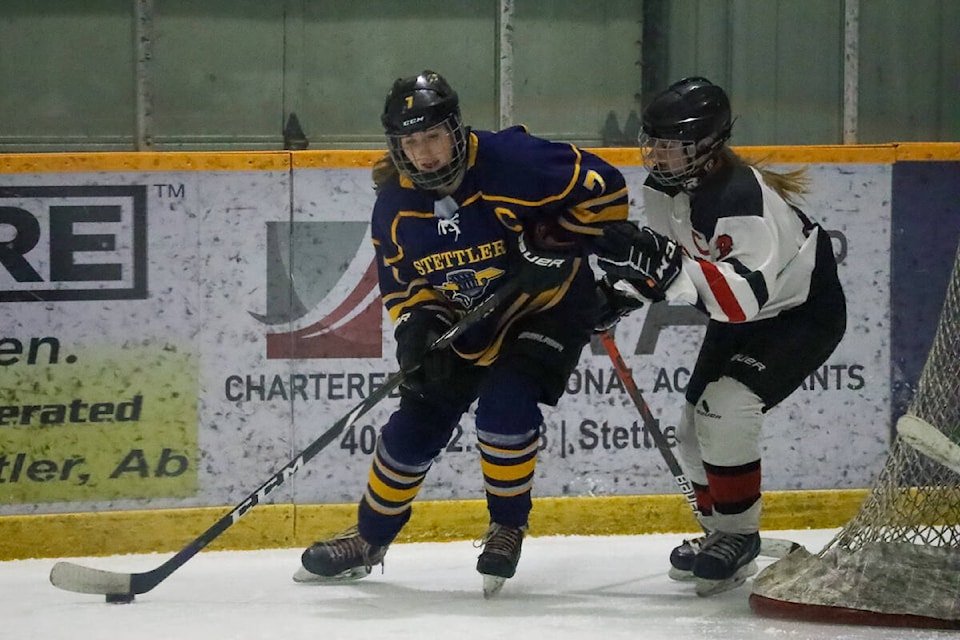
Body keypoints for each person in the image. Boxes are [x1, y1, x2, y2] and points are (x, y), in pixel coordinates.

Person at [293, 70, 636, 596]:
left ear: (456, 129)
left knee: (506, 406)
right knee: (411, 429)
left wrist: (558, 241)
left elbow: (608, 191)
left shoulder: (513, 162)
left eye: (432, 136)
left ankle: (506, 525)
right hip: (466, 324)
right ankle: (369, 539)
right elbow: (402, 283)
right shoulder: (394, 205)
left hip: (545, 309)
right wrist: (416, 324)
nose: (424, 153)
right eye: (411, 141)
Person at [593, 77, 847, 596]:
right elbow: (673, 261)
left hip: (801, 316)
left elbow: (738, 301)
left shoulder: (740, 197)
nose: (658, 154)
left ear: (706, 145)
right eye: (654, 141)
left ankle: (738, 534)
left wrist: (663, 270)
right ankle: (719, 536)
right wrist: (620, 294)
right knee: (691, 428)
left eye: (672, 144)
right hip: (745, 314)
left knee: (725, 407)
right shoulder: (666, 186)